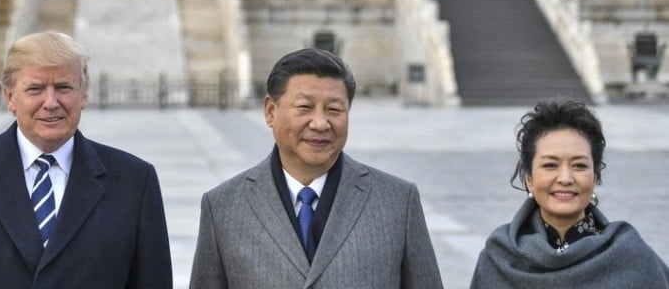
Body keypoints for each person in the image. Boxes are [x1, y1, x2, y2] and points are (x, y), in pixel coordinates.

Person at [0, 30, 173, 289]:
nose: (51, 102)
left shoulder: (134, 181)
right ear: (9, 97)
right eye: (35, 89)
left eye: (64, 87)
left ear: (84, 94)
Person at [189, 47, 443, 288]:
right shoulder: (223, 207)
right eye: (305, 107)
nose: (321, 123)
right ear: (270, 111)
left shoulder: (397, 201)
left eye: (334, 109)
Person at [470, 98, 669, 288]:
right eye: (550, 165)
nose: (565, 178)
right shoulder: (499, 260)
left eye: (579, 166)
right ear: (529, 178)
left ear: (595, 177)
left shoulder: (632, 259)